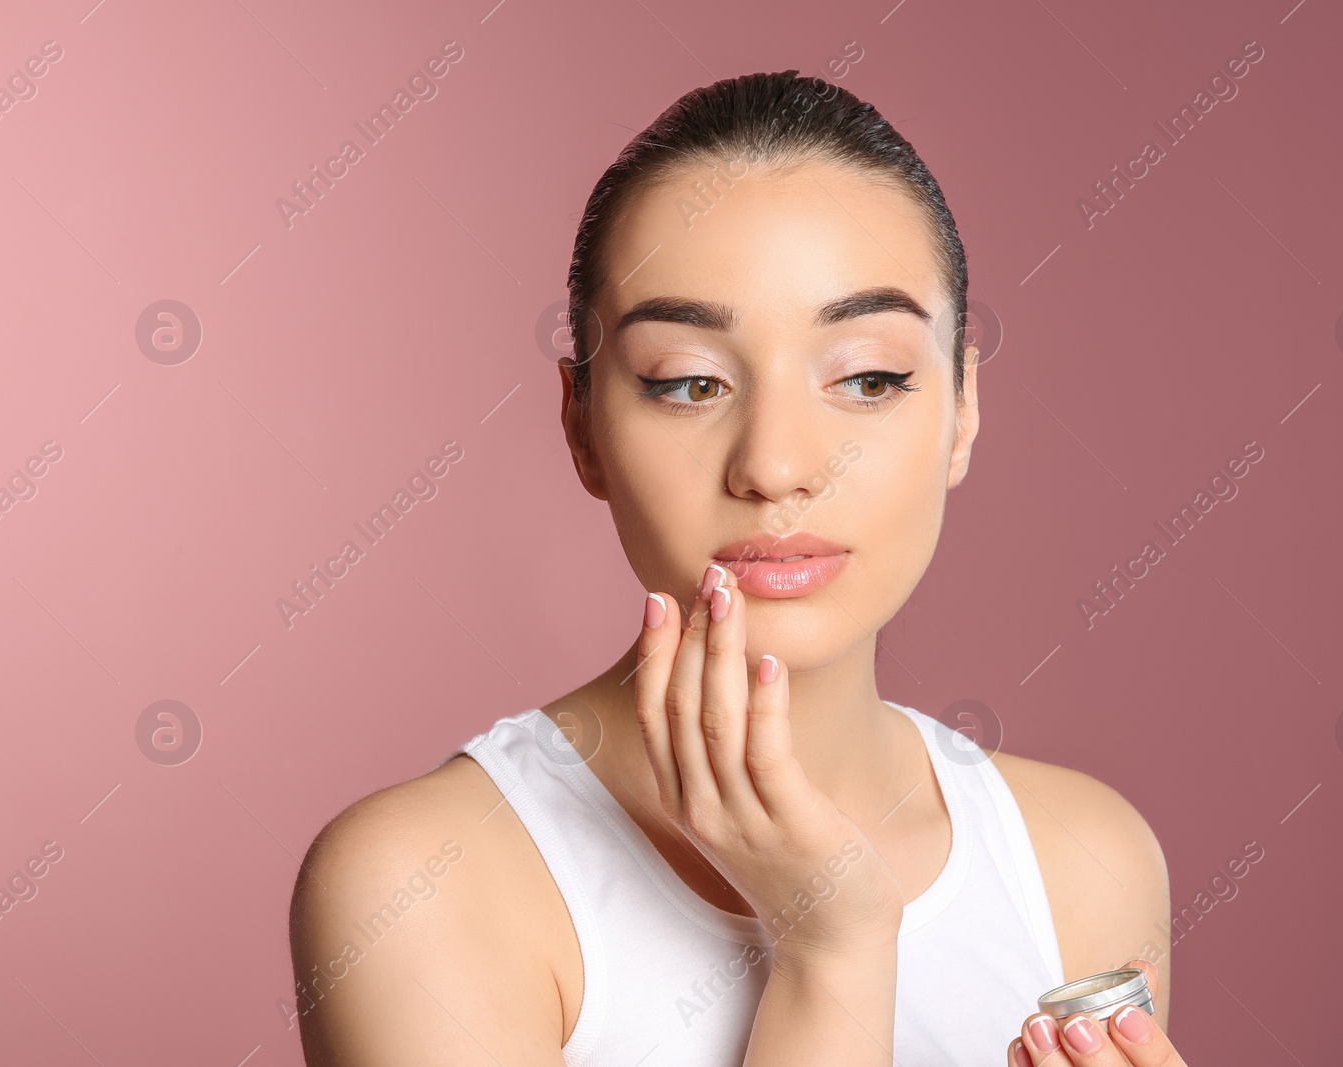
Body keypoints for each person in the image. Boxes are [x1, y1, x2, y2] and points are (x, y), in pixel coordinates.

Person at [289, 69, 1185, 1067]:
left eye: (867, 377)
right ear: (581, 424)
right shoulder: (420, 880)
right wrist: (830, 946)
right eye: (688, 381)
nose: (774, 465)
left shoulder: (1082, 859)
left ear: (962, 408)